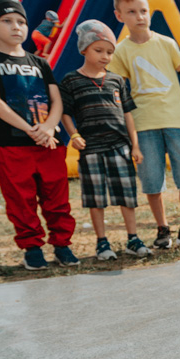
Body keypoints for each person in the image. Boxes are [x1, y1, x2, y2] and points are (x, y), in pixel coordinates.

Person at [0, 0, 79, 270]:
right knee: (21, 200)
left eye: (20, 21)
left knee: (57, 198)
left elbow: (56, 100)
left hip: (49, 143)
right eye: (7, 21)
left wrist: (47, 127)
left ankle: (62, 245)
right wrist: (28, 128)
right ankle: (32, 247)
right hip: (12, 144)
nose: (16, 27)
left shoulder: (40, 63)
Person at [109, 0, 180, 250]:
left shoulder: (167, 43)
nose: (140, 16)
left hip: (177, 120)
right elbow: (119, 92)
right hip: (144, 125)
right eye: (131, 12)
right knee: (152, 181)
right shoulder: (121, 51)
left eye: (143, 10)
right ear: (119, 15)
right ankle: (162, 229)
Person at [58, 20, 151, 261]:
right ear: (84, 50)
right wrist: (74, 134)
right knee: (96, 198)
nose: (105, 56)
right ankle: (102, 243)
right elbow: (65, 111)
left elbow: (128, 114)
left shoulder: (117, 81)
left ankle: (133, 238)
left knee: (127, 195)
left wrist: (135, 145)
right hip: (91, 149)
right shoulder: (70, 80)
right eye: (98, 50)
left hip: (120, 147)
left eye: (109, 52)